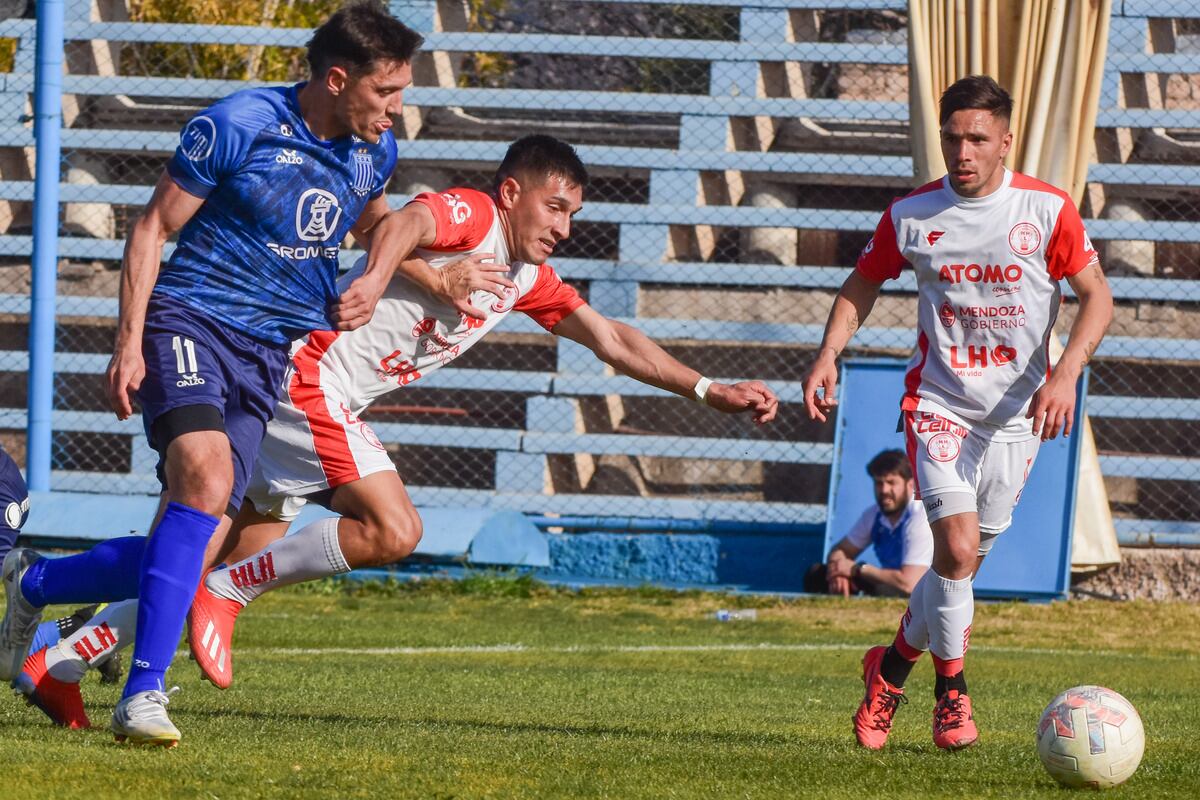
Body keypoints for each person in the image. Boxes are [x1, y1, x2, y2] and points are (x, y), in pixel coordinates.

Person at [18, 135, 778, 716]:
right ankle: (226, 598)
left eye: (574, 214)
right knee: (394, 526)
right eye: (554, 207)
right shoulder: (475, 217)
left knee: (202, 551)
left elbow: (613, 339)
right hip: (308, 380)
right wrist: (407, 273)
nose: (564, 226)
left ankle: (59, 635)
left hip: (308, 398)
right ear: (513, 193)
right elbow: (404, 219)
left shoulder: (528, 281)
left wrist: (709, 389)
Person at [1, 1, 426, 747]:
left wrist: (384, 275)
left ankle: (38, 583)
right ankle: (143, 695)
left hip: (268, 355)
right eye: (387, 92)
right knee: (204, 477)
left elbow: (375, 223)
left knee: (209, 543)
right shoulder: (238, 122)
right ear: (337, 79)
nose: (398, 109)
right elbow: (153, 227)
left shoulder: (371, 154)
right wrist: (127, 344)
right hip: (190, 322)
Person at [800, 75, 1113, 751]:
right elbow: (863, 280)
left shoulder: (1046, 210)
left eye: (977, 138)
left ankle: (887, 671)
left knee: (956, 570)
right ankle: (953, 695)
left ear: (1005, 140)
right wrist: (828, 352)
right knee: (959, 549)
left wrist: (1064, 376)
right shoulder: (913, 214)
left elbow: (1097, 298)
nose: (962, 151)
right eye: (952, 137)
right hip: (938, 405)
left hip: (1016, 419)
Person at [803, 449, 931, 598]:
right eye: (878, 483)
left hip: (925, 593)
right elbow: (841, 550)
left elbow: (909, 584)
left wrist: (857, 569)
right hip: (894, 583)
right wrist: (838, 571)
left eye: (891, 482)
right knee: (817, 574)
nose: (884, 490)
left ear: (910, 484)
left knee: (883, 592)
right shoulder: (874, 514)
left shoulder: (920, 517)